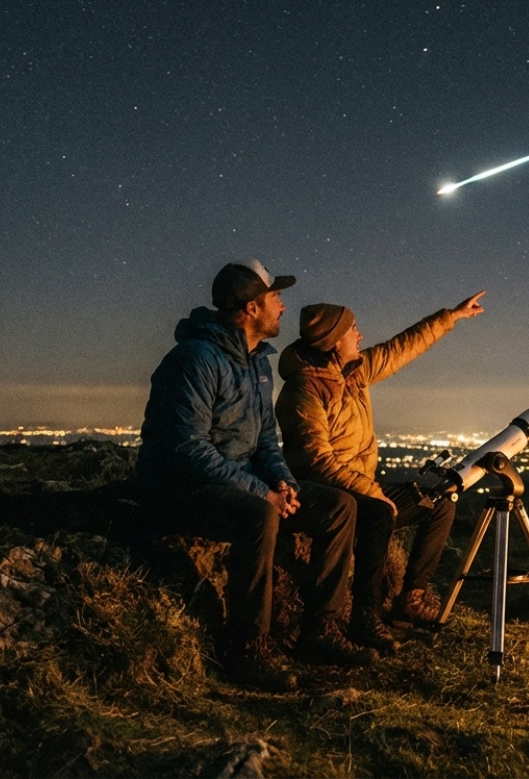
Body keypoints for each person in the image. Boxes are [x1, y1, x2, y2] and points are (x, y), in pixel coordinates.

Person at [136, 259, 371, 693]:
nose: (283, 307)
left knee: (339, 506)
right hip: (180, 488)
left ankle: (320, 628)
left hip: (238, 482)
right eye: (275, 298)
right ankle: (248, 648)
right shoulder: (195, 358)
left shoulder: (258, 363)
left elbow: (265, 439)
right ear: (249, 308)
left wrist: (285, 484)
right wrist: (261, 493)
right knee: (256, 517)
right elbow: (188, 448)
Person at [275, 291, 486, 652]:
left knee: (441, 501)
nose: (359, 334)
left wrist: (451, 316)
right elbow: (316, 461)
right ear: (332, 343)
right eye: (352, 329)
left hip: (362, 484)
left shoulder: (354, 372)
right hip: (330, 491)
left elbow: (400, 348)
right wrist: (372, 492)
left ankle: (412, 597)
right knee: (375, 513)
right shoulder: (304, 390)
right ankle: (364, 616)